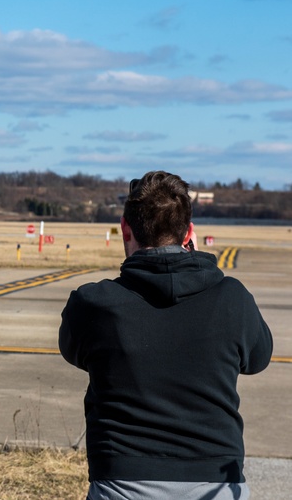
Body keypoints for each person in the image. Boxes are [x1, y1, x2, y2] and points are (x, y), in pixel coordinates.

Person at [59, 170, 273, 500]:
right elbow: (258, 359)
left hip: (122, 482)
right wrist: (199, 268)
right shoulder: (232, 298)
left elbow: (73, 350)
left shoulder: (93, 304)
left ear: (125, 229)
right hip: (215, 481)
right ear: (188, 232)